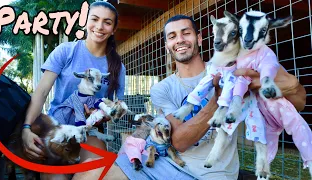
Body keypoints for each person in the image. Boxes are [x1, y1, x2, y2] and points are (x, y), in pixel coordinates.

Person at [114, 15, 306, 180]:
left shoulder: (231, 66)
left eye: (186, 33)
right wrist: (219, 99)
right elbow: (179, 142)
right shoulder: (162, 89)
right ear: (167, 46)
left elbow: (300, 100)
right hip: (169, 163)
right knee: (94, 171)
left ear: (199, 38)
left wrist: (272, 84)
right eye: (172, 36)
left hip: (211, 173)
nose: (179, 39)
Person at [21, 1, 126, 179]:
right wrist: (27, 127)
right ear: (85, 21)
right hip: (57, 126)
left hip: (88, 129)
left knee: (96, 172)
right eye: (95, 19)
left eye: (107, 22)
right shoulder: (66, 51)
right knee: (57, 177)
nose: (99, 26)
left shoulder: (118, 67)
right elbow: (41, 92)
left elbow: (117, 107)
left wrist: (107, 114)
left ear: (113, 29)